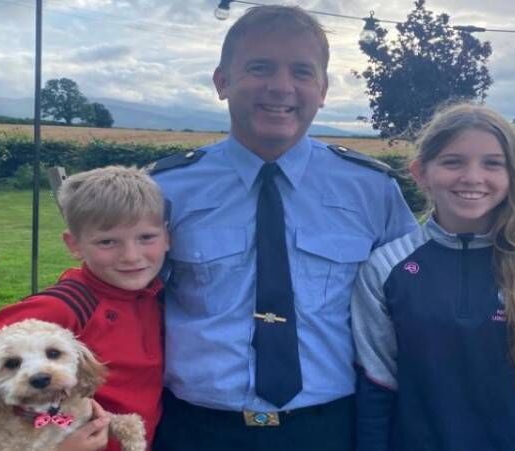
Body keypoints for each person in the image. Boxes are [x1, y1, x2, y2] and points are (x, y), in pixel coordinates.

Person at [149, 5, 417, 451]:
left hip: (329, 430)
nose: (281, 86)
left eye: (302, 71)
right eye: (259, 67)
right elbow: (120, 301)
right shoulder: (164, 189)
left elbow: (413, 307)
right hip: (195, 429)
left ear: (324, 89)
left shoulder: (372, 191)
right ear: (222, 81)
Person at [352, 103, 515, 451]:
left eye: (492, 163)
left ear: (513, 176)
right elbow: (376, 389)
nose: (472, 177)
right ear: (420, 172)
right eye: (453, 162)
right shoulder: (385, 268)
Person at [0, 166, 170, 450]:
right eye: (107, 242)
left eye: (146, 238)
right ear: (74, 244)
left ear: (167, 237)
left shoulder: (154, 296)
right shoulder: (56, 310)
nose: (131, 256)